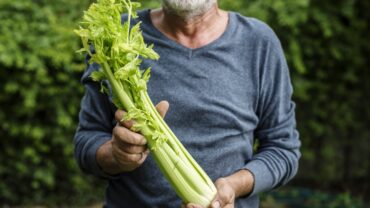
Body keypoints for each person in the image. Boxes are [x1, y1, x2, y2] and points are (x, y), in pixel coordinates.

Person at [74, 0, 301, 207]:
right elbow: (87, 141)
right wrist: (115, 155)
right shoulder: (115, 38)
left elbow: (283, 148)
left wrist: (233, 186)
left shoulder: (258, 42)